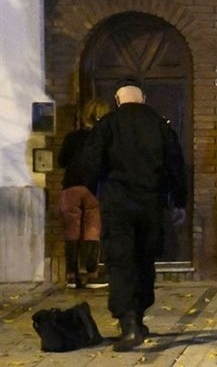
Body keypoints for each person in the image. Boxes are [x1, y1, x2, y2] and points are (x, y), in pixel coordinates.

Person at [78, 78, 187, 352]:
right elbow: (176, 166)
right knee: (144, 260)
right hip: (151, 204)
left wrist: (97, 192)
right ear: (144, 98)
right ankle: (138, 317)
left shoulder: (107, 125)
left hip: (117, 204)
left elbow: (89, 166)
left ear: (117, 100)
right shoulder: (161, 126)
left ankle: (128, 324)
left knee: (121, 261)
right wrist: (178, 202)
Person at [57, 97, 112, 289]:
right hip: (94, 188)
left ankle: (72, 276)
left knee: (71, 230)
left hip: (71, 186)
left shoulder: (72, 137)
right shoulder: (105, 139)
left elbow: (61, 162)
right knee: (92, 230)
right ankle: (91, 275)